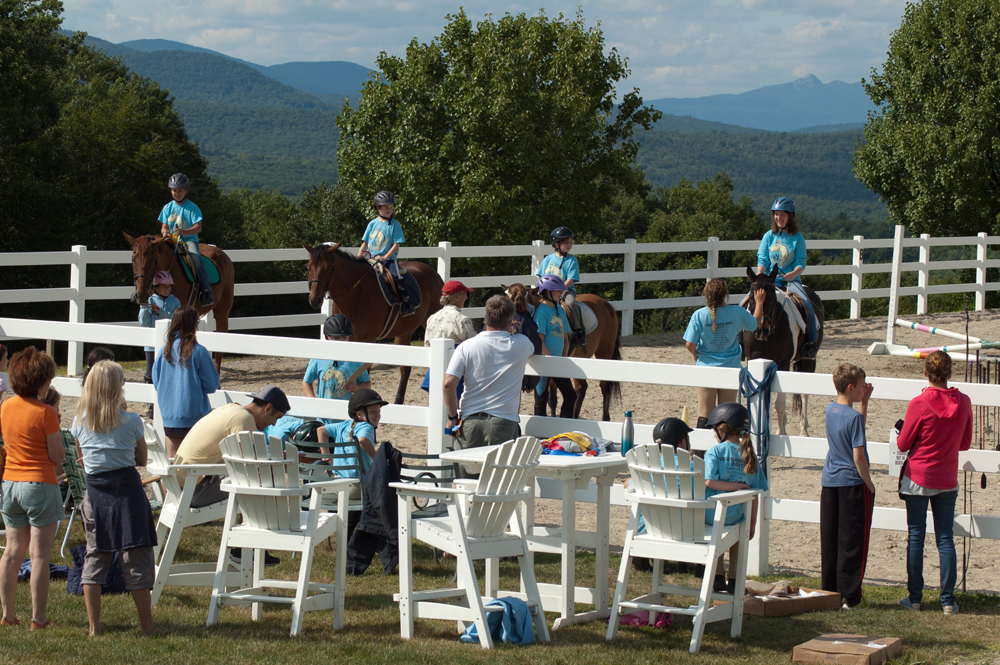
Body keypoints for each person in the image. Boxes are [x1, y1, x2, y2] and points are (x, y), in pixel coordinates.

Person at [71, 360, 158, 636]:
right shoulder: (132, 421)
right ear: (116, 387)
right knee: (137, 556)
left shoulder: (79, 421)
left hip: (95, 494)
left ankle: (94, 628)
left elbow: (83, 460)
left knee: (95, 556)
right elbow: (141, 458)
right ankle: (147, 626)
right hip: (128, 493)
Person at [896, 351, 972, 615]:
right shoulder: (964, 402)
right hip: (947, 476)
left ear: (925, 373)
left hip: (919, 475)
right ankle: (948, 600)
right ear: (949, 374)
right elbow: (965, 443)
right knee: (945, 538)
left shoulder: (919, 403)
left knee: (916, 536)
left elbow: (903, 444)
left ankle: (915, 597)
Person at [0, 347, 64, 629]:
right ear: (42, 381)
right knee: (38, 556)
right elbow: (56, 456)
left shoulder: (5, 406)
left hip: (10, 483)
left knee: (12, 551)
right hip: (39, 483)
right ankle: (38, 618)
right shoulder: (46, 413)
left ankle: (8, 615)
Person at [444, 295, 533, 464]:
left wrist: (452, 417)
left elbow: (448, 384)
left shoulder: (466, 346)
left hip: (470, 420)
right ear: (511, 321)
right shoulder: (521, 343)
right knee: (500, 478)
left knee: (465, 476)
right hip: (504, 420)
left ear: (486, 318)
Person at [174, 384, 290, 510]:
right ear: (268, 408)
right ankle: (272, 519)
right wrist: (280, 462)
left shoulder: (232, 410)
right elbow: (250, 466)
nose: (274, 423)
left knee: (257, 476)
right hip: (194, 489)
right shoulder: (244, 419)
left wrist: (276, 460)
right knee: (265, 478)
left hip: (183, 485)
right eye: (276, 417)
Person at [820, 363, 876, 610]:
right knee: (852, 540)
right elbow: (858, 457)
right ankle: (851, 596)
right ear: (851, 387)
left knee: (831, 539)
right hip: (852, 483)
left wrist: (864, 403)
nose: (865, 388)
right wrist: (869, 484)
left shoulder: (830, 409)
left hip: (830, 481)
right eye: (862, 386)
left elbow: (852, 426)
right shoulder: (853, 418)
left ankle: (830, 591)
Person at [703, 402, 768, 595]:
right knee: (739, 535)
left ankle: (717, 577)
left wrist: (733, 486)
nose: (714, 435)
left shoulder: (715, 451)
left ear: (723, 430)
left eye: (715, 430)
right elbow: (755, 494)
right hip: (738, 514)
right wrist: (752, 523)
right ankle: (734, 580)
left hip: (712, 514)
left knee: (717, 535)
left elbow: (709, 481)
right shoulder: (750, 455)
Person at [684, 278, 765, 428]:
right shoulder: (736, 312)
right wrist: (759, 302)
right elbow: (756, 323)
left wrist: (696, 354)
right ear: (725, 295)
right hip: (730, 367)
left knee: (704, 415)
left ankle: (702, 443)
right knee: (726, 414)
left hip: (706, 368)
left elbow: (689, 344)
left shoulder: (699, 315)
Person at [152, 306, 220, 458]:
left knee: (173, 460)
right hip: (195, 415)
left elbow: (157, 383)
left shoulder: (164, 351)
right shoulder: (199, 351)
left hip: (170, 416)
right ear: (193, 325)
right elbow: (212, 385)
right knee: (196, 460)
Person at [631, 417, 695, 573]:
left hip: (652, 526)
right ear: (682, 442)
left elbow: (629, 484)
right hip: (682, 529)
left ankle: (643, 557)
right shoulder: (693, 468)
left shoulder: (652, 468)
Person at [756, 197, 818, 359]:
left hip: (791, 281)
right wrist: (760, 275)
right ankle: (740, 339)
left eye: (782, 214)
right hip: (771, 281)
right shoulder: (768, 236)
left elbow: (800, 263)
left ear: (790, 216)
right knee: (747, 301)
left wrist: (792, 274)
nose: (779, 218)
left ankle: (810, 343)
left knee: (807, 305)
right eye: (776, 214)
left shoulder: (797, 238)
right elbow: (762, 259)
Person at [302, 314, 371, 443]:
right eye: (336, 337)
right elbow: (306, 382)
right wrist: (313, 401)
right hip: (324, 419)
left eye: (344, 337)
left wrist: (358, 388)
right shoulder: (319, 357)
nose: (341, 341)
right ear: (328, 336)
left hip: (348, 419)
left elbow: (367, 382)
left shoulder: (354, 358)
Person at [158, 173, 214, 306]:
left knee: (196, 258)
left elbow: (198, 227)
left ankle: (206, 289)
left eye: (180, 191)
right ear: (171, 191)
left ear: (186, 191)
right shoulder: (167, 207)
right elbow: (164, 225)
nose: (177, 193)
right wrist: (164, 232)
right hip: (171, 240)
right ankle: (151, 288)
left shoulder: (192, 207)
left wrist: (185, 232)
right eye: (174, 190)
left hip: (188, 240)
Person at [357, 191, 411, 314]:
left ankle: (406, 300)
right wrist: (360, 254)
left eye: (391, 207)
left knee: (395, 275)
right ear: (378, 208)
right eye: (386, 207)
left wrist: (385, 257)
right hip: (370, 258)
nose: (389, 210)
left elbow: (396, 245)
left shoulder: (395, 225)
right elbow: (365, 242)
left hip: (387, 259)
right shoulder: (372, 224)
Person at [532, 274, 576, 419]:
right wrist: (551, 360)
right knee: (541, 399)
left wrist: (563, 358)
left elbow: (565, 337)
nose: (561, 292)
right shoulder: (541, 311)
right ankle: (541, 431)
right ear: (547, 292)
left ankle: (562, 426)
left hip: (557, 362)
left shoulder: (560, 310)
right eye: (558, 290)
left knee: (570, 395)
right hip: (545, 362)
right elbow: (540, 340)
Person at [139, 271, 181, 419]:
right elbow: (144, 323)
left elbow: (176, 319)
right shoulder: (150, 300)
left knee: (169, 372)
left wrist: (161, 312)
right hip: (151, 346)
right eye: (164, 286)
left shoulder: (175, 301)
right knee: (150, 374)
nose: (167, 289)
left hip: (170, 344)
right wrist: (144, 306)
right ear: (156, 287)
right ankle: (150, 406)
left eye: (169, 286)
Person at [536, 226, 587, 347]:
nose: (569, 245)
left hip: (566, 290)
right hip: (547, 291)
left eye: (570, 242)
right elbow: (541, 276)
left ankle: (578, 331)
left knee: (571, 303)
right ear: (556, 244)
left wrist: (560, 289)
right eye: (566, 243)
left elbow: (571, 279)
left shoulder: (572, 260)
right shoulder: (548, 259)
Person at [504, 283, 543, 394]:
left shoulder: (496, 319)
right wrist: (532, 382)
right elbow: (536, 352)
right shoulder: (528, 322)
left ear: (507, 298)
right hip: (517, 377)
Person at [424, 281, 476, 346]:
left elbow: (427, 345)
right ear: (457, 297)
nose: (466, 297)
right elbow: (474, 344)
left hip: (434, 352)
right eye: (465, 294)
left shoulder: (431, 319)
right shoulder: (461, 319)